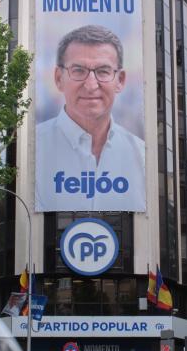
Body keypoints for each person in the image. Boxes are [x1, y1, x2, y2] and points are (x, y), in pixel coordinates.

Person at [35, 24, 145, 212]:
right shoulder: (30, 151)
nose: (91, 85)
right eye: (78, 70)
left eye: (103, 71)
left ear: (120, 80)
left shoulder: (142, 157)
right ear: (59, 78)